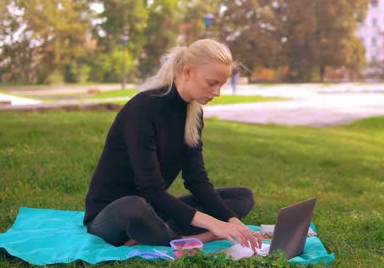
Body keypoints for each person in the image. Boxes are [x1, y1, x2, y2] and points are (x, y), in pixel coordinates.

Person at [83, 39, 262, 252]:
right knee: (133, 206)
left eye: (221, 85)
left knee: (242, 197)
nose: (217, 93)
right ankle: (197, 238)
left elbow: (197, 181)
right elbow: (150, 189)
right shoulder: (143, 109)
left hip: (154, 210)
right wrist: (215, 225)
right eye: (211, 83)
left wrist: (233, 222)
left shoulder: (193, 114)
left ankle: (160, 233)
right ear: (187, 73)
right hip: (113, 215)